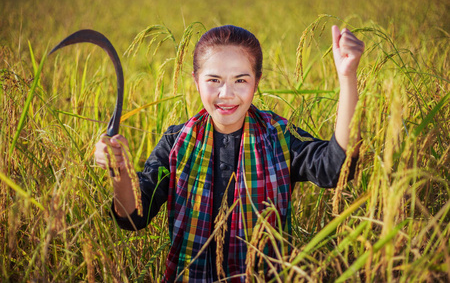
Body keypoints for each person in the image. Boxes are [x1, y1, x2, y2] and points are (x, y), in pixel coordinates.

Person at [94, 25, 364, 282]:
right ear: (196, 81)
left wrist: (347, 77)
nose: (227, 94)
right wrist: (118, 169)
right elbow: (133, 217)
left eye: (240, 80)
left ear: (256, 81)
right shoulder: (176, 143)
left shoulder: (280, 137)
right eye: (214, 80)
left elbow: (336, 169)